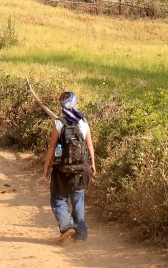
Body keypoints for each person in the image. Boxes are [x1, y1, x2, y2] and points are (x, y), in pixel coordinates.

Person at [42, 90, 96, 243]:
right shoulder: (83, 122)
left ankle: (67, 226)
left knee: (58, 199)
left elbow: (52, 148)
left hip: (61, 171)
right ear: (75, 103)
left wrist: (46, 167)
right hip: (81, 169)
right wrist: (92, 163)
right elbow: (89, 144)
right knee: (78, 199)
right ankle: (79, 234)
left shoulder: (58, 123)